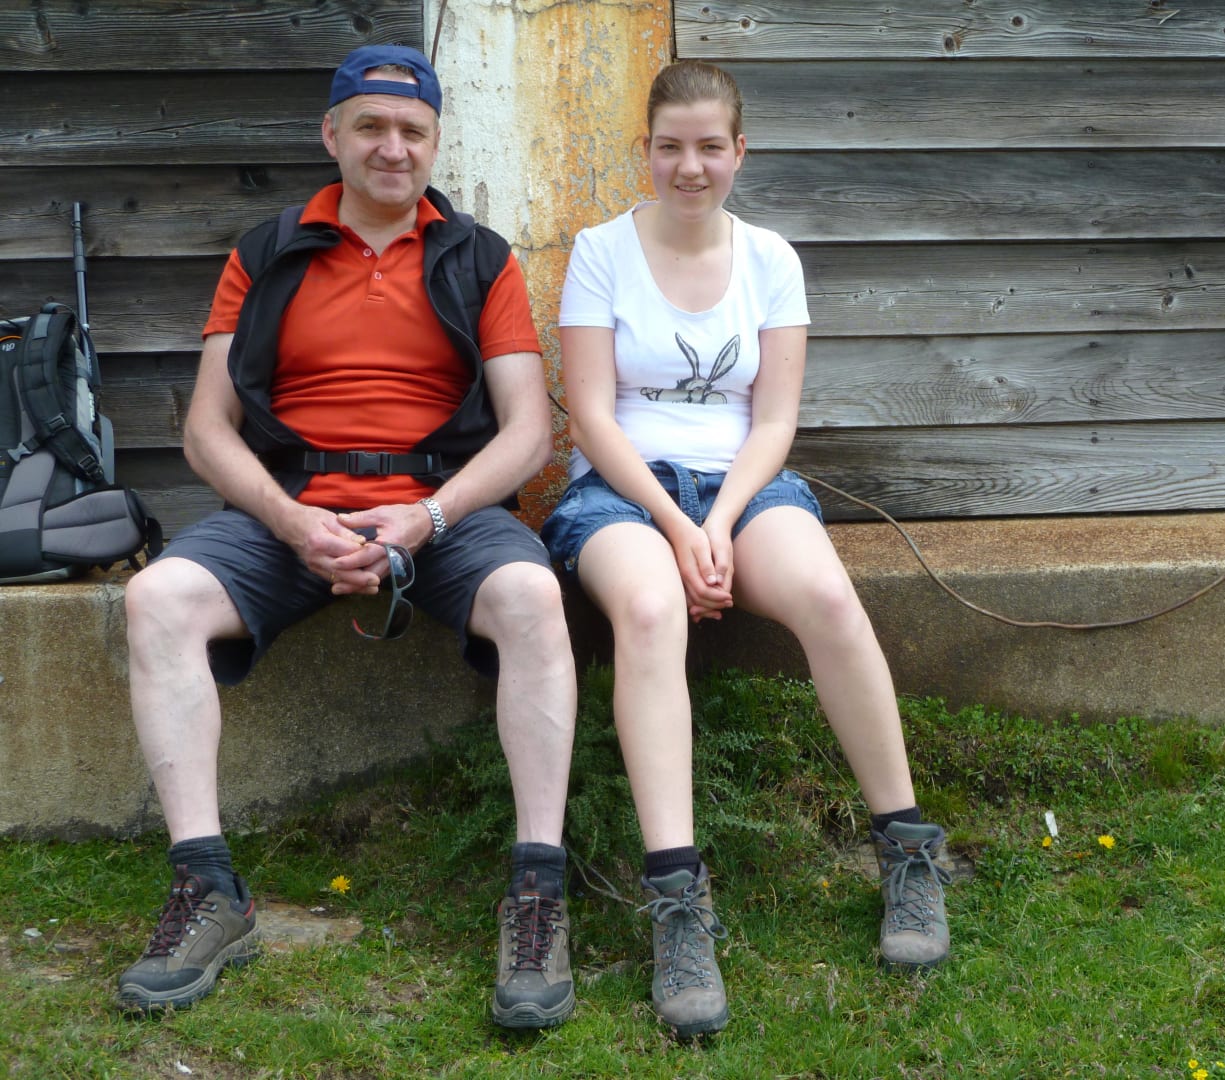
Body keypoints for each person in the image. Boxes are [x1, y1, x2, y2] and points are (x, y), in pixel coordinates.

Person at [117, 45, 579, 1030]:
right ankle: (208, 889)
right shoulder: (265, 252)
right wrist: (292, 521)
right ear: (332, 135)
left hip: (442, 511)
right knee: (156, 597)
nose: (392, 147)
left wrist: (427, 516)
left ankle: (538, 891)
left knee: (533, 596)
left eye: (413, 130)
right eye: (371, 126)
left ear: (436, 143)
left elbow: (527, 432)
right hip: (290, 508)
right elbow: (206, 430)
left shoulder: (481, 258)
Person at [541, 59, 952, 1037]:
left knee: (830, 598)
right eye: (669, 147)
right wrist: (676, 526)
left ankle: (907, 851)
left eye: (709, 147)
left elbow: (773, 420)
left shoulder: (771, 258)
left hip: (745, 486)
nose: (689, 166)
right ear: (644, 150)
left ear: (739, 151)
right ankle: (678, 901)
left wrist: (719, 521)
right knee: (650, 611)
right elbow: (592, 416)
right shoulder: (600, 252)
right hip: (623, 492)